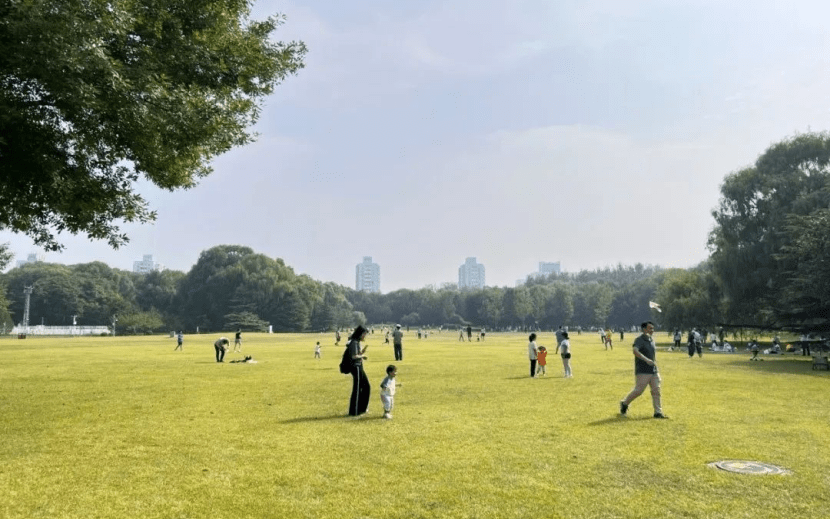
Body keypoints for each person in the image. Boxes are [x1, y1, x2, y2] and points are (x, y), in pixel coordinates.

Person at [619, 321, 667, 419]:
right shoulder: (639, 340)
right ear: (644, 329)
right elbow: (635, 351)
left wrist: (653, 363)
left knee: (656, 391)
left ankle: (658, 412)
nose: (652, 330)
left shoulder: (651, 340)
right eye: (650, 328)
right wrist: (646, 360)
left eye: (653, 328)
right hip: (643, 370)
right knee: (638, 391)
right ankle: (624, 403)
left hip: (653, 370)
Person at [347, 325, 371, 417]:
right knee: (357, 389)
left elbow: (356, 354)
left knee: (366, 386)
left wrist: (361, 353)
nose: (364, 336)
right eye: (364, 334)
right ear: (360, 334)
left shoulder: (356, 342)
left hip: (359, 366)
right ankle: (355, 411)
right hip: (356, 367)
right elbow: (353, 356)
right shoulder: (354, 342)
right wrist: (362, 356)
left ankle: (362, 408)